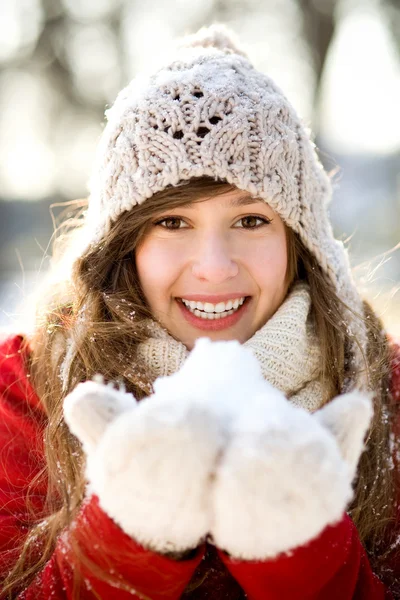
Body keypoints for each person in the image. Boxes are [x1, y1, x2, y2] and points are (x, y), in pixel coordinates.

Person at [0, 23, 400, 600]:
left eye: (251, 220)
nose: (214, 266)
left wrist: (297, 544)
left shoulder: (381, 389)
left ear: (300, 241)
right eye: (172, 222)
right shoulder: (24, 391)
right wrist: (133, 533)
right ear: (123, 244)